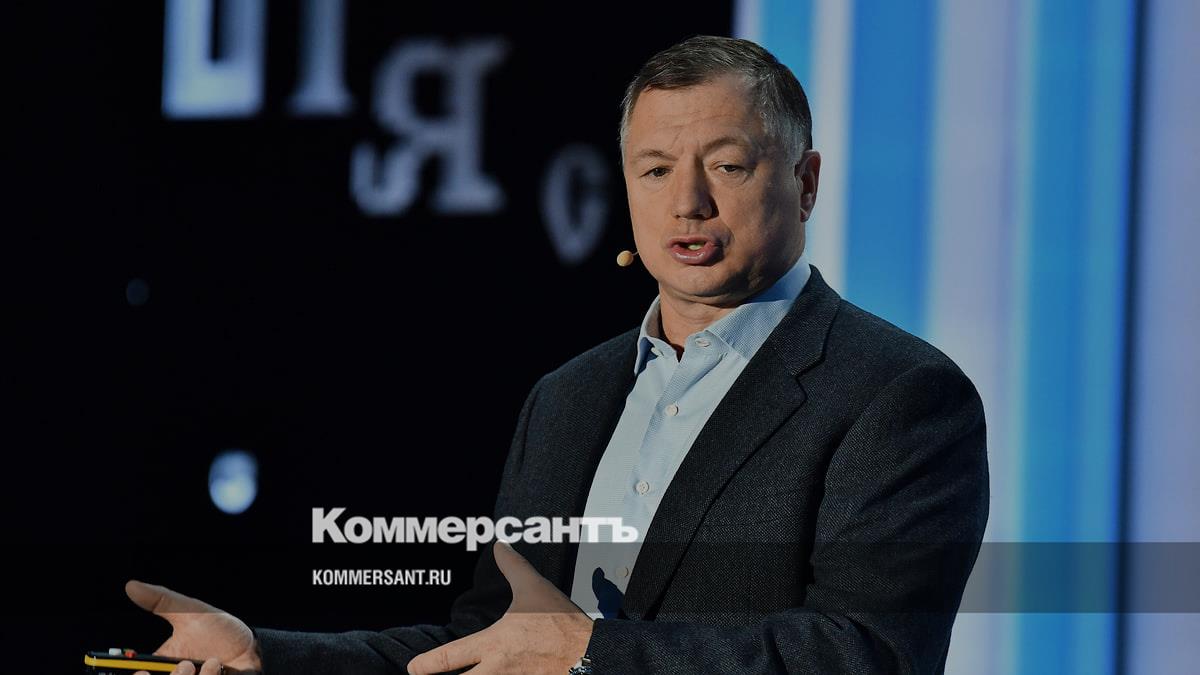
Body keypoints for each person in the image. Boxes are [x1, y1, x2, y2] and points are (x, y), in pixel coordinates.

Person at [124, 35, 988, 674]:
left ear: (805, 182)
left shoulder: (898, 394)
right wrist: (268, 655)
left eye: (726, 165)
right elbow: (488, 642)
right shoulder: (568, 396)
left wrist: (590, 652)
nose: (687, 202)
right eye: (654, 170)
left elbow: (867, 654)